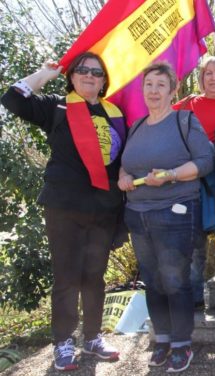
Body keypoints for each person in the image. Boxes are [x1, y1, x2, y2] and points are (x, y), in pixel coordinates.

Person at [1, 53, 124, 371]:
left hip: (104, 209)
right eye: (82, 70)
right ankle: (63, 341)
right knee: (67, 277)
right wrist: (44, 74)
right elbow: (12, 99)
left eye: (97, 72)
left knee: (94, 278)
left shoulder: (116, 113)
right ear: (71, 76)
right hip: (64, 207)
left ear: (104, 80)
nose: (89, 75)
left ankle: (93, 338)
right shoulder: (58, 106)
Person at [118, 61, 213, 372]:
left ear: (173, 91)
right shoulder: (136, 126)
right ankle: (162, 339)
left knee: (174, 280)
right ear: (142, 90)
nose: (154, 91)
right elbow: (126, 162)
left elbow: (205, 162)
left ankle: (182, 344)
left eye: (161, 85)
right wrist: (122, 176)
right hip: (138, 215)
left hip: (175, 214)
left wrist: (171, 174)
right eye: (149, 85)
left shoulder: (184, 122)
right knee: (152, 281)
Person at [173, 55, 215, 319]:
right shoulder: (186, 105)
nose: (214, 78)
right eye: (208, 73)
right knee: (194, 247)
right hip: (192, 184)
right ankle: (195, 300)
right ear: (201, 78)